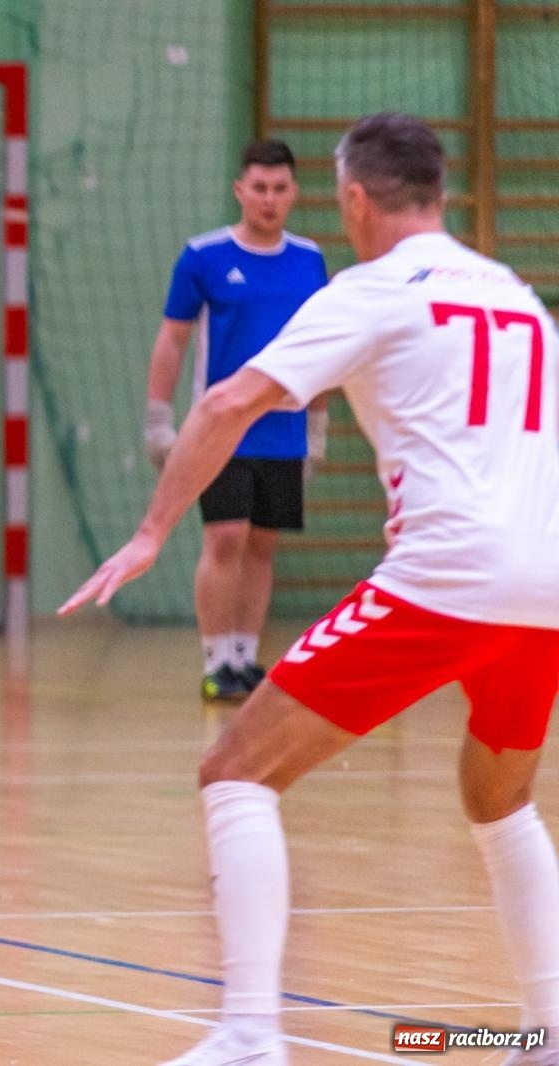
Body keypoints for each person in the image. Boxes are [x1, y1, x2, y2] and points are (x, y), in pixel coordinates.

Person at [62, 112, 559, 1066]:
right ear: (441, 194)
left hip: (448, 577)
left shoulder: (371, 289)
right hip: (542, 587)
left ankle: (250, 1035)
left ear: (355, 199)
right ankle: (541, 1035)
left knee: (234, 773)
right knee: (502, 801)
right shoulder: (519, 295)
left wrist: (150, 530)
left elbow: (226, 401)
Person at [144, 141, 329, 700]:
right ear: (240, 191)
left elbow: (322, 347)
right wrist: (159, 418)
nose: (269, 200)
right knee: (225, 537)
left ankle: (246, 658)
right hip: (221, 428)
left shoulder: (309, 260)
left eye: (279, 189)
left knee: (263, 544)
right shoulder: (202, 257)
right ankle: (215, 659)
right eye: (259, 188)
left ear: (293, 193)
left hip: (284, 429)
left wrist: (316, 427)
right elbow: (173, 340)